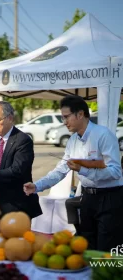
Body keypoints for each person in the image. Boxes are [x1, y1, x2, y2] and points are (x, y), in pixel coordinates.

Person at [24, 95, 123, 251]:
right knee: (87, 247)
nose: (64, 122)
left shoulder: (103, 135)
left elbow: (115, 172)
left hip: (110, 197)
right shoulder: (73, 141)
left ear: (80, 114)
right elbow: (60, 170)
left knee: (107, 250)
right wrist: (37, 186)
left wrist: (83, 170)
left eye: (66, 117)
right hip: (87, 197)